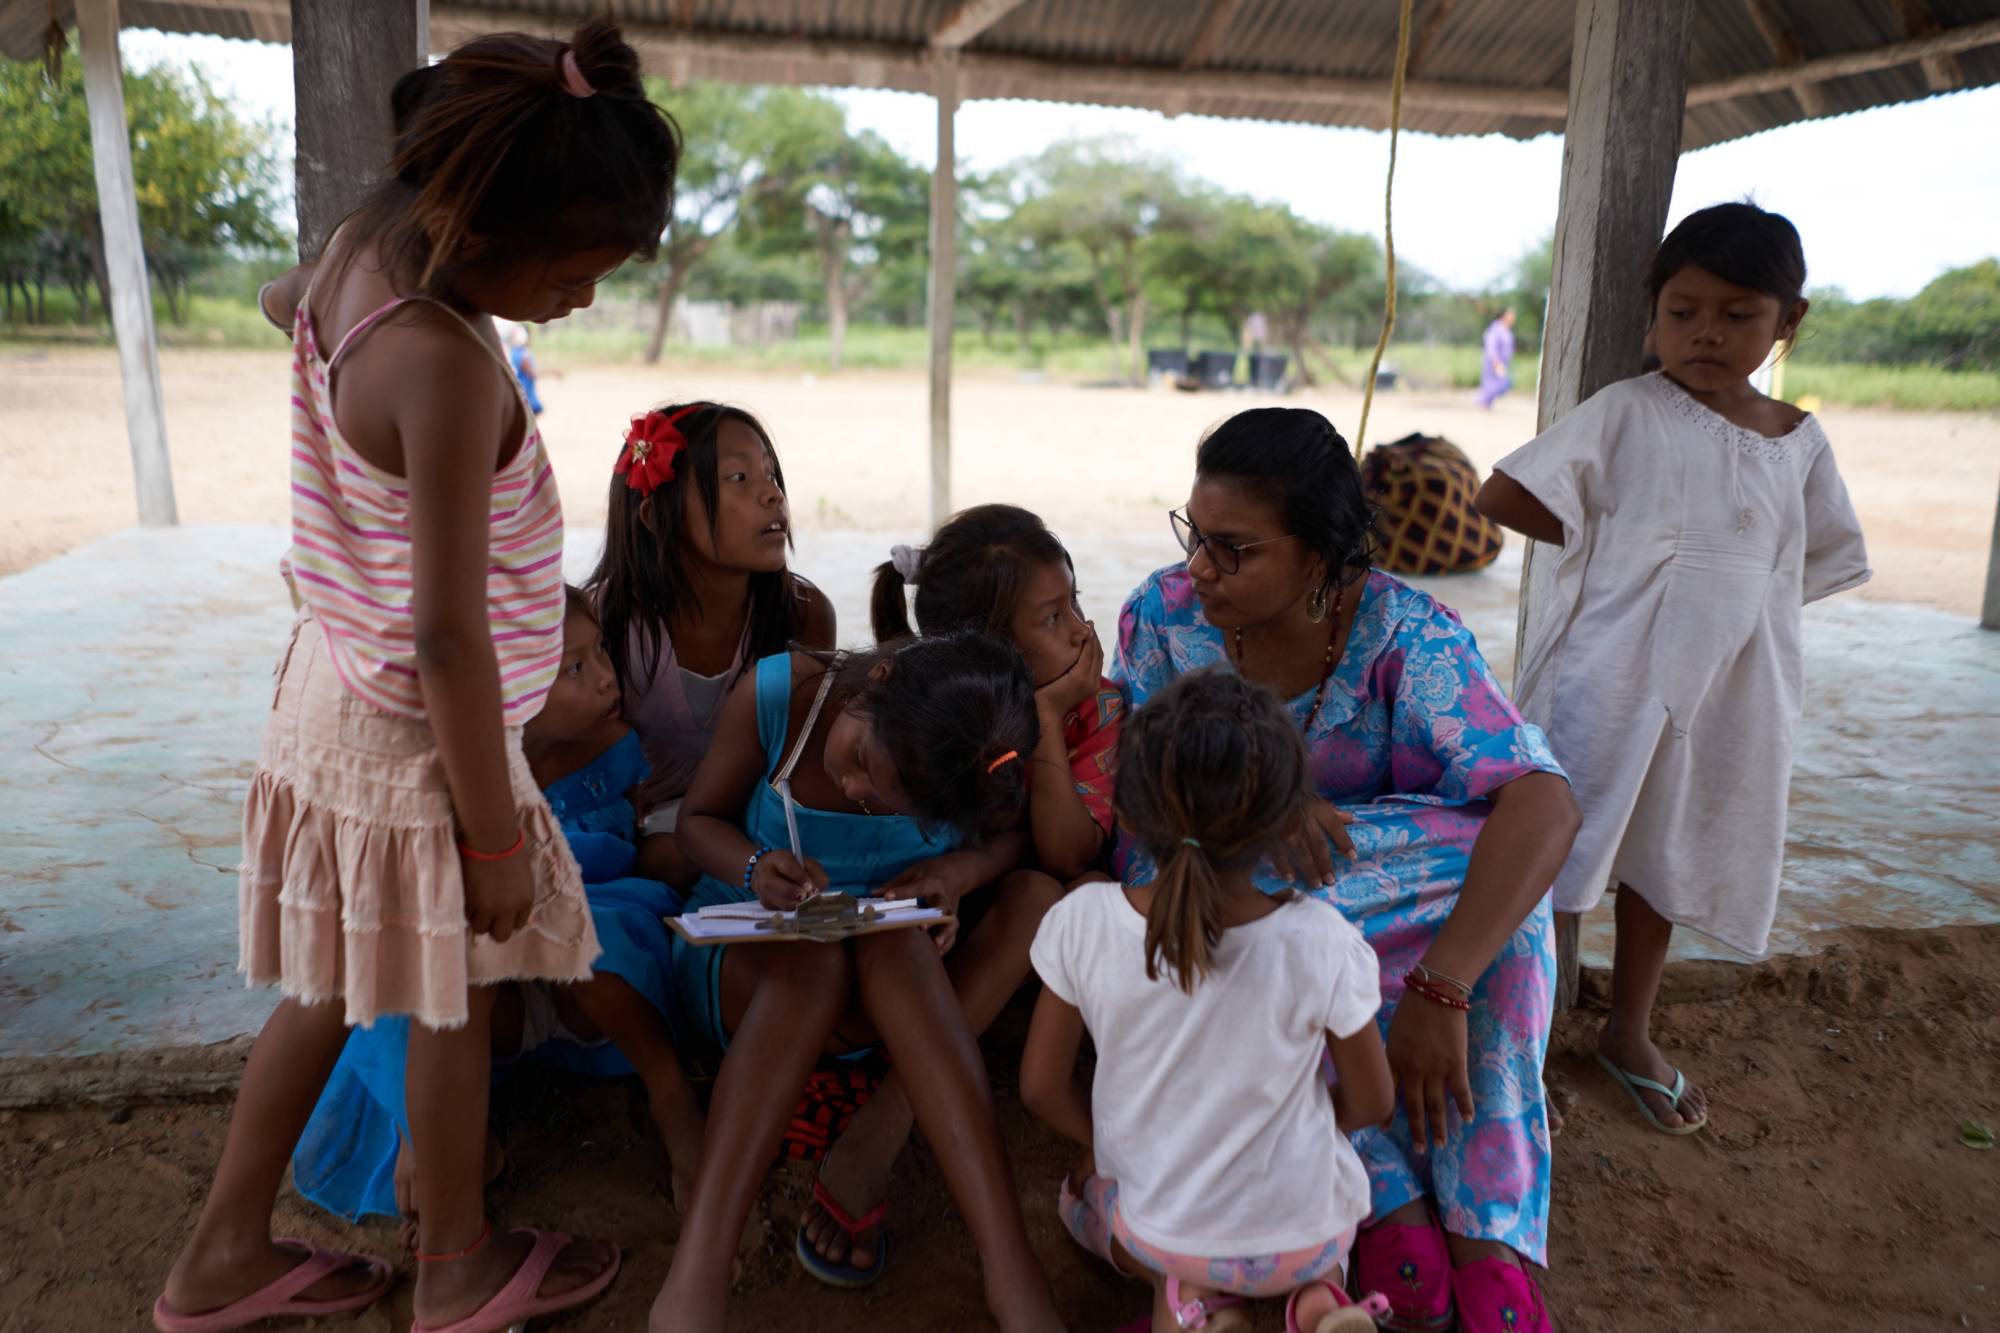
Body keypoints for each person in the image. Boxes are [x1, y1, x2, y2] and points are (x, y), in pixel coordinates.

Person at [152, 21, 678, 1333]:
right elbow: (449, 634)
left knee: (337, 982)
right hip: (414, 719)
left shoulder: (353, 259)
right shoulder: (443, 359)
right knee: (449, 978)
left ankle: (222, 1249)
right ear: (492, 232)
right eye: (581, 268)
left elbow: (286, 306)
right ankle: (453, 1262)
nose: (588, 297)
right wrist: (493, 830)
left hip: (333, 681)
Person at [1116, 406, 1581, 1333]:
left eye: (1233, 550)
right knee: (1287, 921)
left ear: (1323, 557)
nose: (1199, 570)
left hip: (1377, 900)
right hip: (1217, 897)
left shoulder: (1410, 634)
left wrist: (1444, 985)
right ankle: (1396, 1194)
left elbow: (1545, 801)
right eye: (1194, 536)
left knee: (1504, 874)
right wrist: (1261, 802)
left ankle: (1481, 1236)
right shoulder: (1163, 617)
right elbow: (1135, 797)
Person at [1476, 202, 1869, 1137]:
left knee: (1670, 846)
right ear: (1653, 313)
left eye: (1739, 314)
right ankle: (1522, 1046)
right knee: (1564, 849)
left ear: (1789, 321)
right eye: (1684, 310)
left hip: (1732, 691)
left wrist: (1726, 614)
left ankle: (1627, 1031)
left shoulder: (1800, 441)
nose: (1707, 333)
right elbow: (1502, 491)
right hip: (1606, 676)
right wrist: (1613, 547)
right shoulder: (1627, 411)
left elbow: (1811, 559)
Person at [649, 633, 1064, 1333]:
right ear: (878, 677)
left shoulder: (969, 761)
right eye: (862, 762)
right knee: (816, 958)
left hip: (892, 990)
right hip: (753, 975)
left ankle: (1010, 1269)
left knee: (987, 914)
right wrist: (756, 866)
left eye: (891, 802)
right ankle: (697, 1276)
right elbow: (697, 822)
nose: (855, 790)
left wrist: (955, 875)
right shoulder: (781, 696)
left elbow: (1011, 838)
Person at [291, 587, 707, 1227]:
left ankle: (670, 1095)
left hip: (593, 970)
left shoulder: (616, 747)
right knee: (424, 959)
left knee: (591, 937)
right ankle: (428, 1136)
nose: (604, 677)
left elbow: (633, 853)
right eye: (574, 668)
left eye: (599, 651)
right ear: (505, 693)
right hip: (499, 1004)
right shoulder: (450, 780)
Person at [1022, 668, 1396, 1333]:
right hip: (1310, 1233)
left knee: (1082, 1203)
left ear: (1129, 816)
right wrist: (1294, 1132)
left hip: (1169, 1231)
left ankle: (1194, 1305)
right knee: (1312, 1221)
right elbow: (1373, 1101)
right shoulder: (1322, 938)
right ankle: (1319, 1301)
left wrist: (1108, 1148)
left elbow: (1041, 1087)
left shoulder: (1082, 922)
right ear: (1287, 821)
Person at [586, 400, 835, 880]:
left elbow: (799, 762)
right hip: (629, 830)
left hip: (748, 828)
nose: (772, 496)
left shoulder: (803, 615)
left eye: (770, 475)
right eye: (738, 479)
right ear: (657, 518)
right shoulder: (604, 620)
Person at [871, 503, 1121, 881]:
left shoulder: (1094, 706)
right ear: (992, 645)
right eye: (1053, 617)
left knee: (1085, 886)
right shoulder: (932, 713)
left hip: (1029, 892)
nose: (1083, 629)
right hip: (938, 885)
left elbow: (1067, 861)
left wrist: (1047, 714)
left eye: (1074, 600)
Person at [1477, 309, 1517, 409]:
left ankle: (1485, 403)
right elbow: (1491, 346)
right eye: (1511, 315)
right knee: (1496, 384)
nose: (1513, 318)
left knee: (1503, 384)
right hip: (1494, 363)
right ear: (1504, 316)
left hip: (1503, 363)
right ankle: (1481, 402)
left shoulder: (1505, 330)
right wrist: (1495, 361)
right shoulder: (1495, 329)